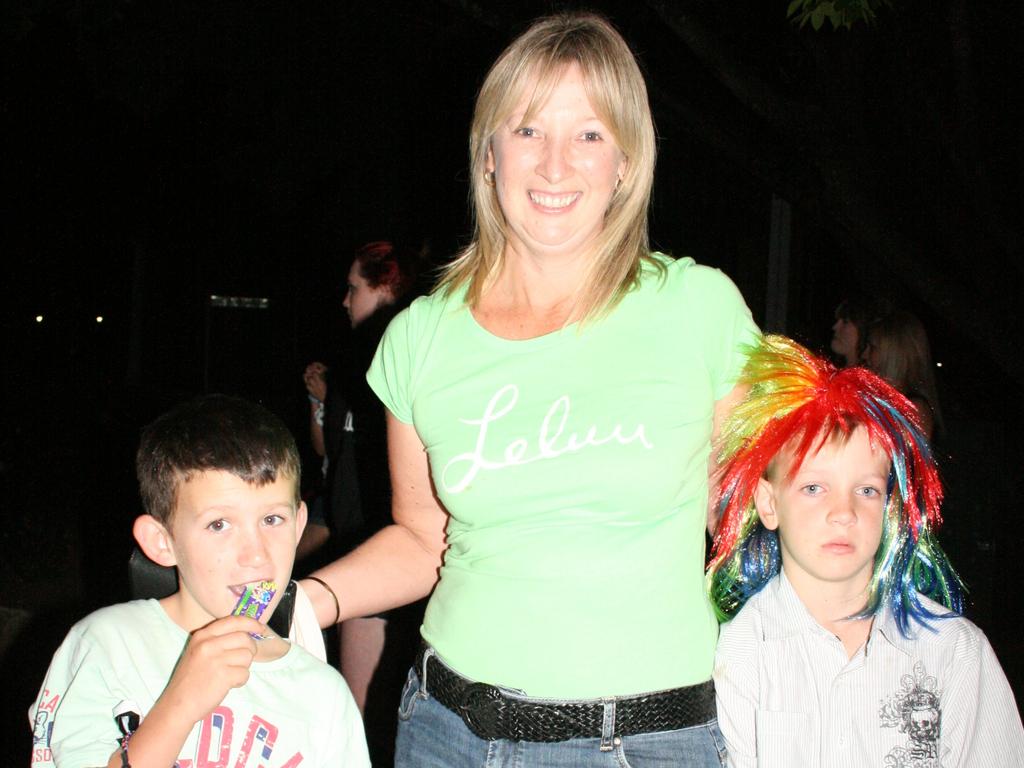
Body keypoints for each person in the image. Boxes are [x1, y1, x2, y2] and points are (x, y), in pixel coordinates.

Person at [302, 12, 758, 766]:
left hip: (642, 740)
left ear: (626, 160)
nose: (554, 165)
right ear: (488, 154)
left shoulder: (698, 309)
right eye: (526, 131)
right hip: (448, 729)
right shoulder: (420, 336)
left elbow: (748, 528)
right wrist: (297, 606)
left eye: (588, 134)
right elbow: (424, 540)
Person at [707, 335, 1023, 767]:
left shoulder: (954, 653)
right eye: (814, 487)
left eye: (866, 489)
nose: (844, 512)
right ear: (768, 502)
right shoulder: (739, 651)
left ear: (889, 505)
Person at [28, 394, 369, 768]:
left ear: (299, 525)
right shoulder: (107, 646)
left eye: (272, 520)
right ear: (163, 542)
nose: (256, 555)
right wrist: (179, 705)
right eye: (218, 524)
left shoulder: (324, 696)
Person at [302, 241, 423, 762]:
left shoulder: (410, 355)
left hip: (392, 554)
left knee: (379, 713)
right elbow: (333, 457)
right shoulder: (351, 362)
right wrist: (318, 404)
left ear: (387, 287)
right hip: (359, 545)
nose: (345, 300)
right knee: (356, 713)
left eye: (354, 288)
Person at [863, 308, 943, 441]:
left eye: (872, 348)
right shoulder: (881, 397)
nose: (864, 355)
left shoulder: (915, 408)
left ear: (893, 355)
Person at [829, 296, 890, 367]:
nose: (835, 327)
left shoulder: (866, 377)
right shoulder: (831, 373)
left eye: (845, 322)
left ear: (864, 329)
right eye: (838, 320)